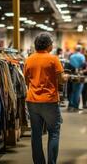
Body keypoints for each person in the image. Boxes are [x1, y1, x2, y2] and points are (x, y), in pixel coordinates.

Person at [23, 33, 69, 164]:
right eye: (52, 43)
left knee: (36, 134)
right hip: (49, 101)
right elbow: (61, 80)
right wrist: (66, 77)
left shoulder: (29, 59)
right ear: (48, 45)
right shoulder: (53, 59)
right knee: (54, 132)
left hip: (32, 100)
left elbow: (27, 80)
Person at [68, 45, 86, 112]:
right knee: (78, 91)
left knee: (73, 90)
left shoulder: (72, 56)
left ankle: (70, 104)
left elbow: (70, 65)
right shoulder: (81, 56)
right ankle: (75, 106)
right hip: (79, 75)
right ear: (80, 49)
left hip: (72, 74)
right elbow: (83, 64)